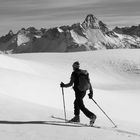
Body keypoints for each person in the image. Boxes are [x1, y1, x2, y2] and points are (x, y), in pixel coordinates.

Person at [60, 61, 96, 126]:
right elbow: (89, 83)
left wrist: (63, 85)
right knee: (76, 103)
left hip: (78, 91)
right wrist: (91, 92)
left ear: (74, 67)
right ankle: (77, 117)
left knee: (81, 106)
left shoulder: (74, 73)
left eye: (73, 66)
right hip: (84, 91)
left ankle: (91, 116)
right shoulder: (84, 73)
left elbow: (70, 84)